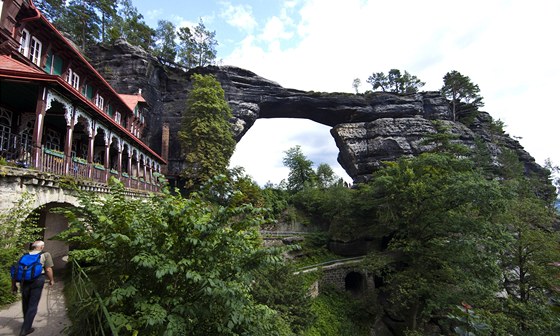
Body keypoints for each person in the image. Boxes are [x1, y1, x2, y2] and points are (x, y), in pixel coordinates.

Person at [11, 240, 55, 336]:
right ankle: (25, 329)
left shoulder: (24, 255)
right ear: (42, 247)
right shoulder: (45, 254)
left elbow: (15, 270)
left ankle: (26, 323)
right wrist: (51, 280)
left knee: (25, 302)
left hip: (24, 281)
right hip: (37, 280)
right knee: (33, 304)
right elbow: (48, 269)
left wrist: (13, 285)